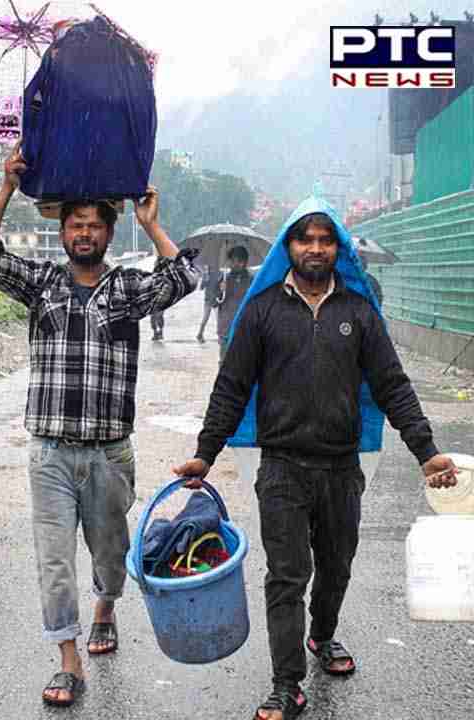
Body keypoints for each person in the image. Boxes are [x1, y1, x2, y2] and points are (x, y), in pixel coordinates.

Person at [173, 203, 458, 720]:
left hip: (341, 469)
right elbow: (231, 388)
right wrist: (204, 454)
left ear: (338, 249)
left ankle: (322, 637)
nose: (315, 248)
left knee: (336, 567)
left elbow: (392, 386)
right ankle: (287, 684)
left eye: (326, 240)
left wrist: (427, 451)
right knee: (286, 575)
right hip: (281, 466)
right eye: (305, 239)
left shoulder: (358, 312)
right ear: (289, 246)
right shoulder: (262, 312)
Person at [0, 142, 199, 707]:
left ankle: (106, 607)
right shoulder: (42, 284)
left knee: (109, 553)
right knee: (53, 559)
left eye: (95, 225)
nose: (85, 233)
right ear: (64, 233)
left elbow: (185, 276)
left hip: (108, 453)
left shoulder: (126, 288)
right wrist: (5, 190)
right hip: (49, 453)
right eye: (76, 225)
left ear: (108, 234)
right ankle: (67, 661)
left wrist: (152, 223)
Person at [214, 245, 253, 361]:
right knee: (224, 361)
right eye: (233, 260)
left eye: (239, 261)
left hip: (245, 327)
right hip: (226, 326)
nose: (236, 264)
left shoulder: (252, 280)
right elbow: (214, 302)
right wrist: (220, 291)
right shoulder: (224, 279)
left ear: (245, 262)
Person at [196, 264, 222, 343]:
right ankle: (200, 334)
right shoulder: (206, 275)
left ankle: (220, 337)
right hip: (208, 300)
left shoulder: (220, 274)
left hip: (217, 300)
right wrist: (205, 280)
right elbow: (201, 288)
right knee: (205, 318)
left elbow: (222, 288)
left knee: (219, 320)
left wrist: (221, 291)